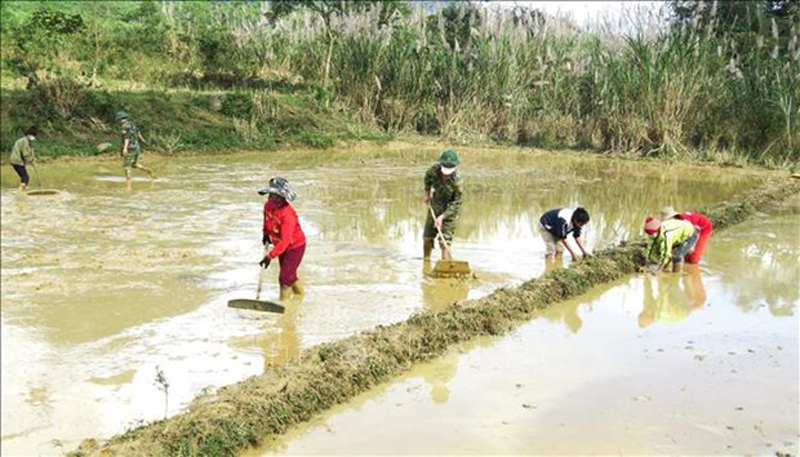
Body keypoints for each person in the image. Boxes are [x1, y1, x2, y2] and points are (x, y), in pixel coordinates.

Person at [258, 177, 306, 301]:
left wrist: (269, 256)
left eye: (277, 195)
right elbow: (267, 221)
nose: (273, 198)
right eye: (272, 194)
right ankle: (300, 296)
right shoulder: (267, 206)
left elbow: (286, 241)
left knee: (284, 278)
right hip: (280, 245)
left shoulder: (287, 214)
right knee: (290, 275)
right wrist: (265, 234)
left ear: (283, 197)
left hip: (294, 246)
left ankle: (284, 306)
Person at [423, 149, 463, 260]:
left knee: (444, 242)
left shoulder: (457, 181)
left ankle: (446, 267)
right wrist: (427, 193)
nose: (445, 175)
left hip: (450, 211)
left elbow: (457, 203)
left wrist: (442, 217)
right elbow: (427, 179)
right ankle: (426, 263)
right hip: (435, 205)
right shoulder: (433, 170)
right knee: (427, 238)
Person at [115, 110, 155, 184]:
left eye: (118, 120)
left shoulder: (124, 127)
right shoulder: (133, 124)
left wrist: (125, 148)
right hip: (137, 146)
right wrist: (143, 141)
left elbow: (126, 138)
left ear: (120, 119)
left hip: (130, 148)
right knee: (134, 164)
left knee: (126, 166)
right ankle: (148, 170)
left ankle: (128, 182)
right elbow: (138, 134)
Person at [9, 126, 38, 192]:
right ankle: (20, 192)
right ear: (29, 134)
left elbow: (28, 152)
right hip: (17, 161)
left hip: (15, 160)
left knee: (24, 177)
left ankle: (22, 190)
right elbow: (26, 154)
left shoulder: (24, 140)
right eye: (33, 135)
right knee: (25, 177)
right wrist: (32, 161)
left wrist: (32, 158)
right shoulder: (25, 141)